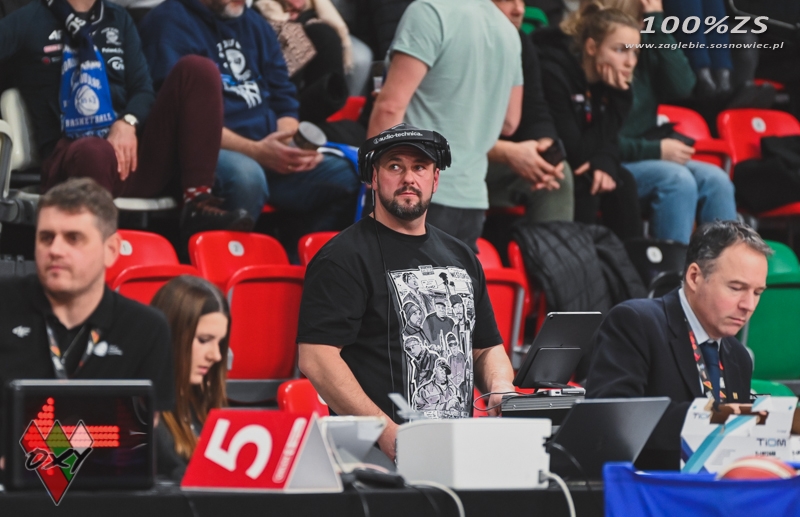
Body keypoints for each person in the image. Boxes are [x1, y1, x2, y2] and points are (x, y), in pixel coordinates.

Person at [297, 124, 516, 460]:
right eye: (395, 166)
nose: (409, 178)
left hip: (457, 450)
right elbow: (316, 357)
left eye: (420, 167)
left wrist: (500, 386)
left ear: (435, 179)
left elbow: (486, 347)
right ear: (374, 178)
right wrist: (384, 431)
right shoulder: (342, 257)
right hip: (374, 455)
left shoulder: (461, 257)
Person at [0, 0, 252, 236]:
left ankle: (197, 203)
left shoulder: (117, 18)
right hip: (71, 162)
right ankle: (93, 243)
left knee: (198, 70)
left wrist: (128, 121)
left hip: (128, 158)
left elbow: (143, 89)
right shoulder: (28, 20)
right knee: (94, 151)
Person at [139, 0, 360, 243]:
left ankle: (297, 259)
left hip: (267, 150)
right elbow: (181, 119)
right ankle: (214, 260)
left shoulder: (255, 23)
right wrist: (255, 151)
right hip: (206, 153)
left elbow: (284, 100)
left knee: (351, 176)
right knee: (247, 177)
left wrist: (288, 146)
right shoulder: (168, 22)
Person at [0, 178, 174, 458]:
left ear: (111, 250)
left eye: (73, 238)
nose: (55, 250)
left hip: (105, 482)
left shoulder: (146, 329)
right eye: (46, 237)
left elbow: (142, 437)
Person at [585, 220, 771, 470]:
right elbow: (612, 422)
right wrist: (712, 417)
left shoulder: (739, 356)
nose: (748, 305)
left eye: (757, 293)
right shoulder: (635, 322)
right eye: (736, 288)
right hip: (649, 487)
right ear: (694, 277)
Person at [367, 0, 524, 251]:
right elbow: (510, 122)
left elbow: (390, 107)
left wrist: (370, 175)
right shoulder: (508, 31)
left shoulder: (430, 11)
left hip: (414, 193)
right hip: (471, 203)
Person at [604, 0, 737, 244]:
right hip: (613, 163)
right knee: (677, 180)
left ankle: (725, 265)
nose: (630, 60)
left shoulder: (643, 49)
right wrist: (656, 150)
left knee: (716, 180)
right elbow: (598, 142)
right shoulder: (603, 60)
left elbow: (683, 85)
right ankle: (671, 268)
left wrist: (657, 23)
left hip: (646, 157)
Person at [534, 1, 643, 240]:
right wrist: (620, 104)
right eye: (620, 50)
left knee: (621, 181)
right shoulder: (554, 72)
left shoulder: (607, 85)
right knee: (589, 181)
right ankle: (580, 259)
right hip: (552, 164)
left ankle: (631, 262)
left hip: (581, 161)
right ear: (592, 47)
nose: (630, 62)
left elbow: (609, 140)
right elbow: (575, 152)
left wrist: (605, 161)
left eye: (635, 52)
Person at [487, 0, 574, 224]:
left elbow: (535, 109)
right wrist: (508, 153)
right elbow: (450, 133)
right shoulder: (455, 39)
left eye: (522, 0)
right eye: (506, 0)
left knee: (557, 175)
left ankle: (553, 248)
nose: (520, 10)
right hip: (449, 162)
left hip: (497, 159)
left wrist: (544, 148)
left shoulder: (520, 42)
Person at [151, 275, 229, 481]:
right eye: (204, 340)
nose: (216, 355)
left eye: (220, 343)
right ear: (171, 336)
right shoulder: (144, 415)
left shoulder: (202, 401)